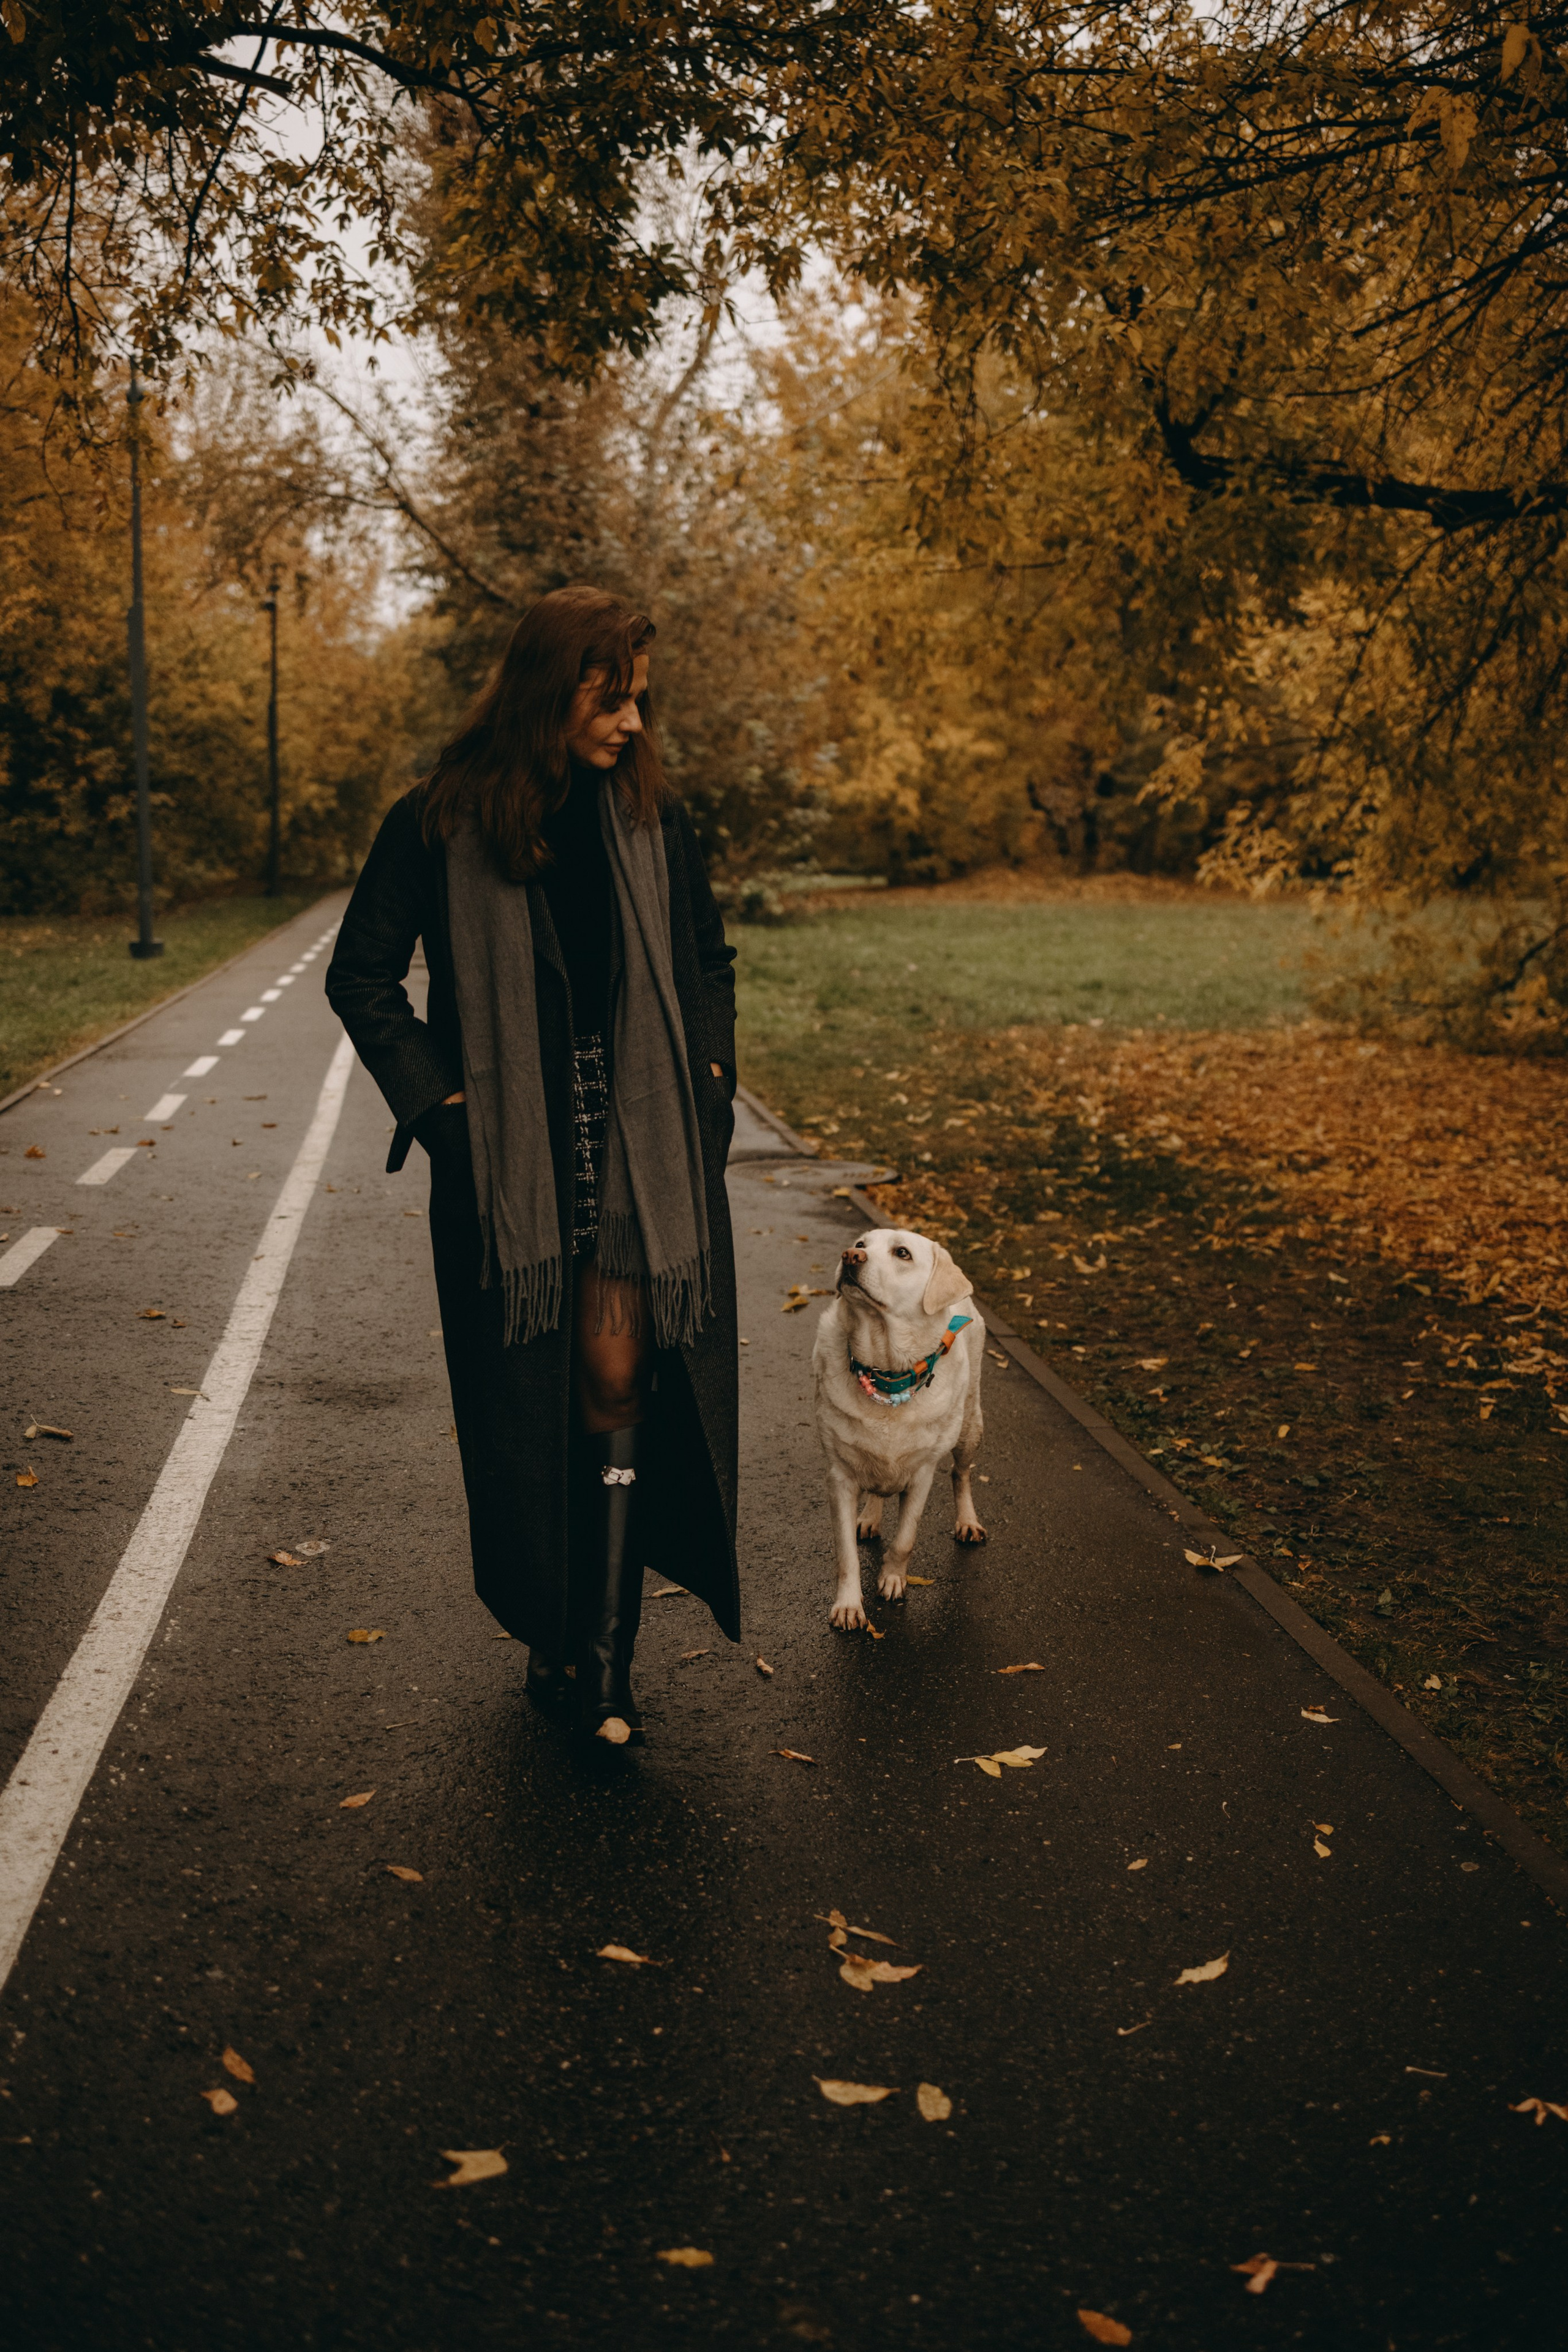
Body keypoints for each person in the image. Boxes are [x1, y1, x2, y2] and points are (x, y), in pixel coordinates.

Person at [326, 587, 740, 1744]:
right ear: (553, 688)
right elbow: (361, 977)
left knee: (617, 1390)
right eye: (614, 700)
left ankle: (606, 1671)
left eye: (641, 701)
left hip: (634, 1159)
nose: (632, 725)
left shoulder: (655, 821)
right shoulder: (438, 822)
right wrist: (450, 1114)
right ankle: (554, 1636)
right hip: (508, 1170)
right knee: (527, 1414)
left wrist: (708, 1089)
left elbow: (708, 963)